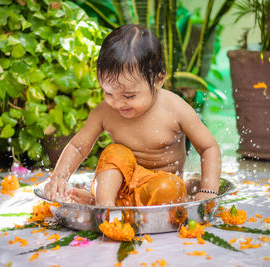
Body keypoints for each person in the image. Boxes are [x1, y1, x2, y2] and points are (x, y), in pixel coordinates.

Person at [44, 24, 221, 206]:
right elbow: (77, 147)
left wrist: (207, 190)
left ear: (158, 80)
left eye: (129, 96)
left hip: (157, 189)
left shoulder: (175, 108)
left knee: (171, 188)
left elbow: (208, 147)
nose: (118, 103)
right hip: (119, 188)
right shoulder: (106, 111)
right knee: (115, 153)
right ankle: (105, 207)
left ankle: (103, 204)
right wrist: (59, 177)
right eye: (109, 93)